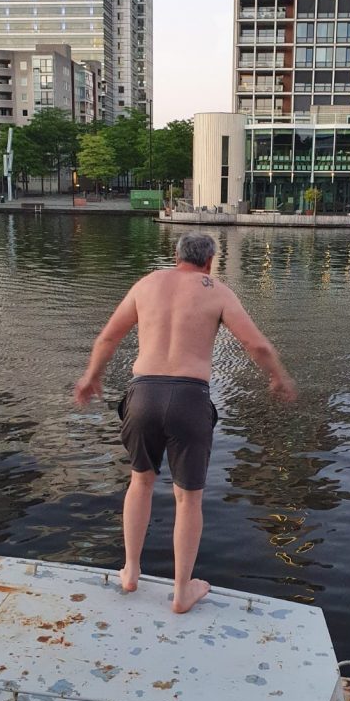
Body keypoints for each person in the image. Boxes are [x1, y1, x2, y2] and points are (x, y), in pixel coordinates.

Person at [74, 232, 297, 613]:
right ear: (209, 261)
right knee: (188, 498)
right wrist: (278, 377)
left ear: (176, 256)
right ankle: (181, 592)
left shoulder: (146, 284)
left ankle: (131, 572)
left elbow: (108, 338)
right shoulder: (217, 291)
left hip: (143, 394)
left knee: (140, 482)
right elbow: (256, 344)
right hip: (190, 398)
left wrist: (91, 376)